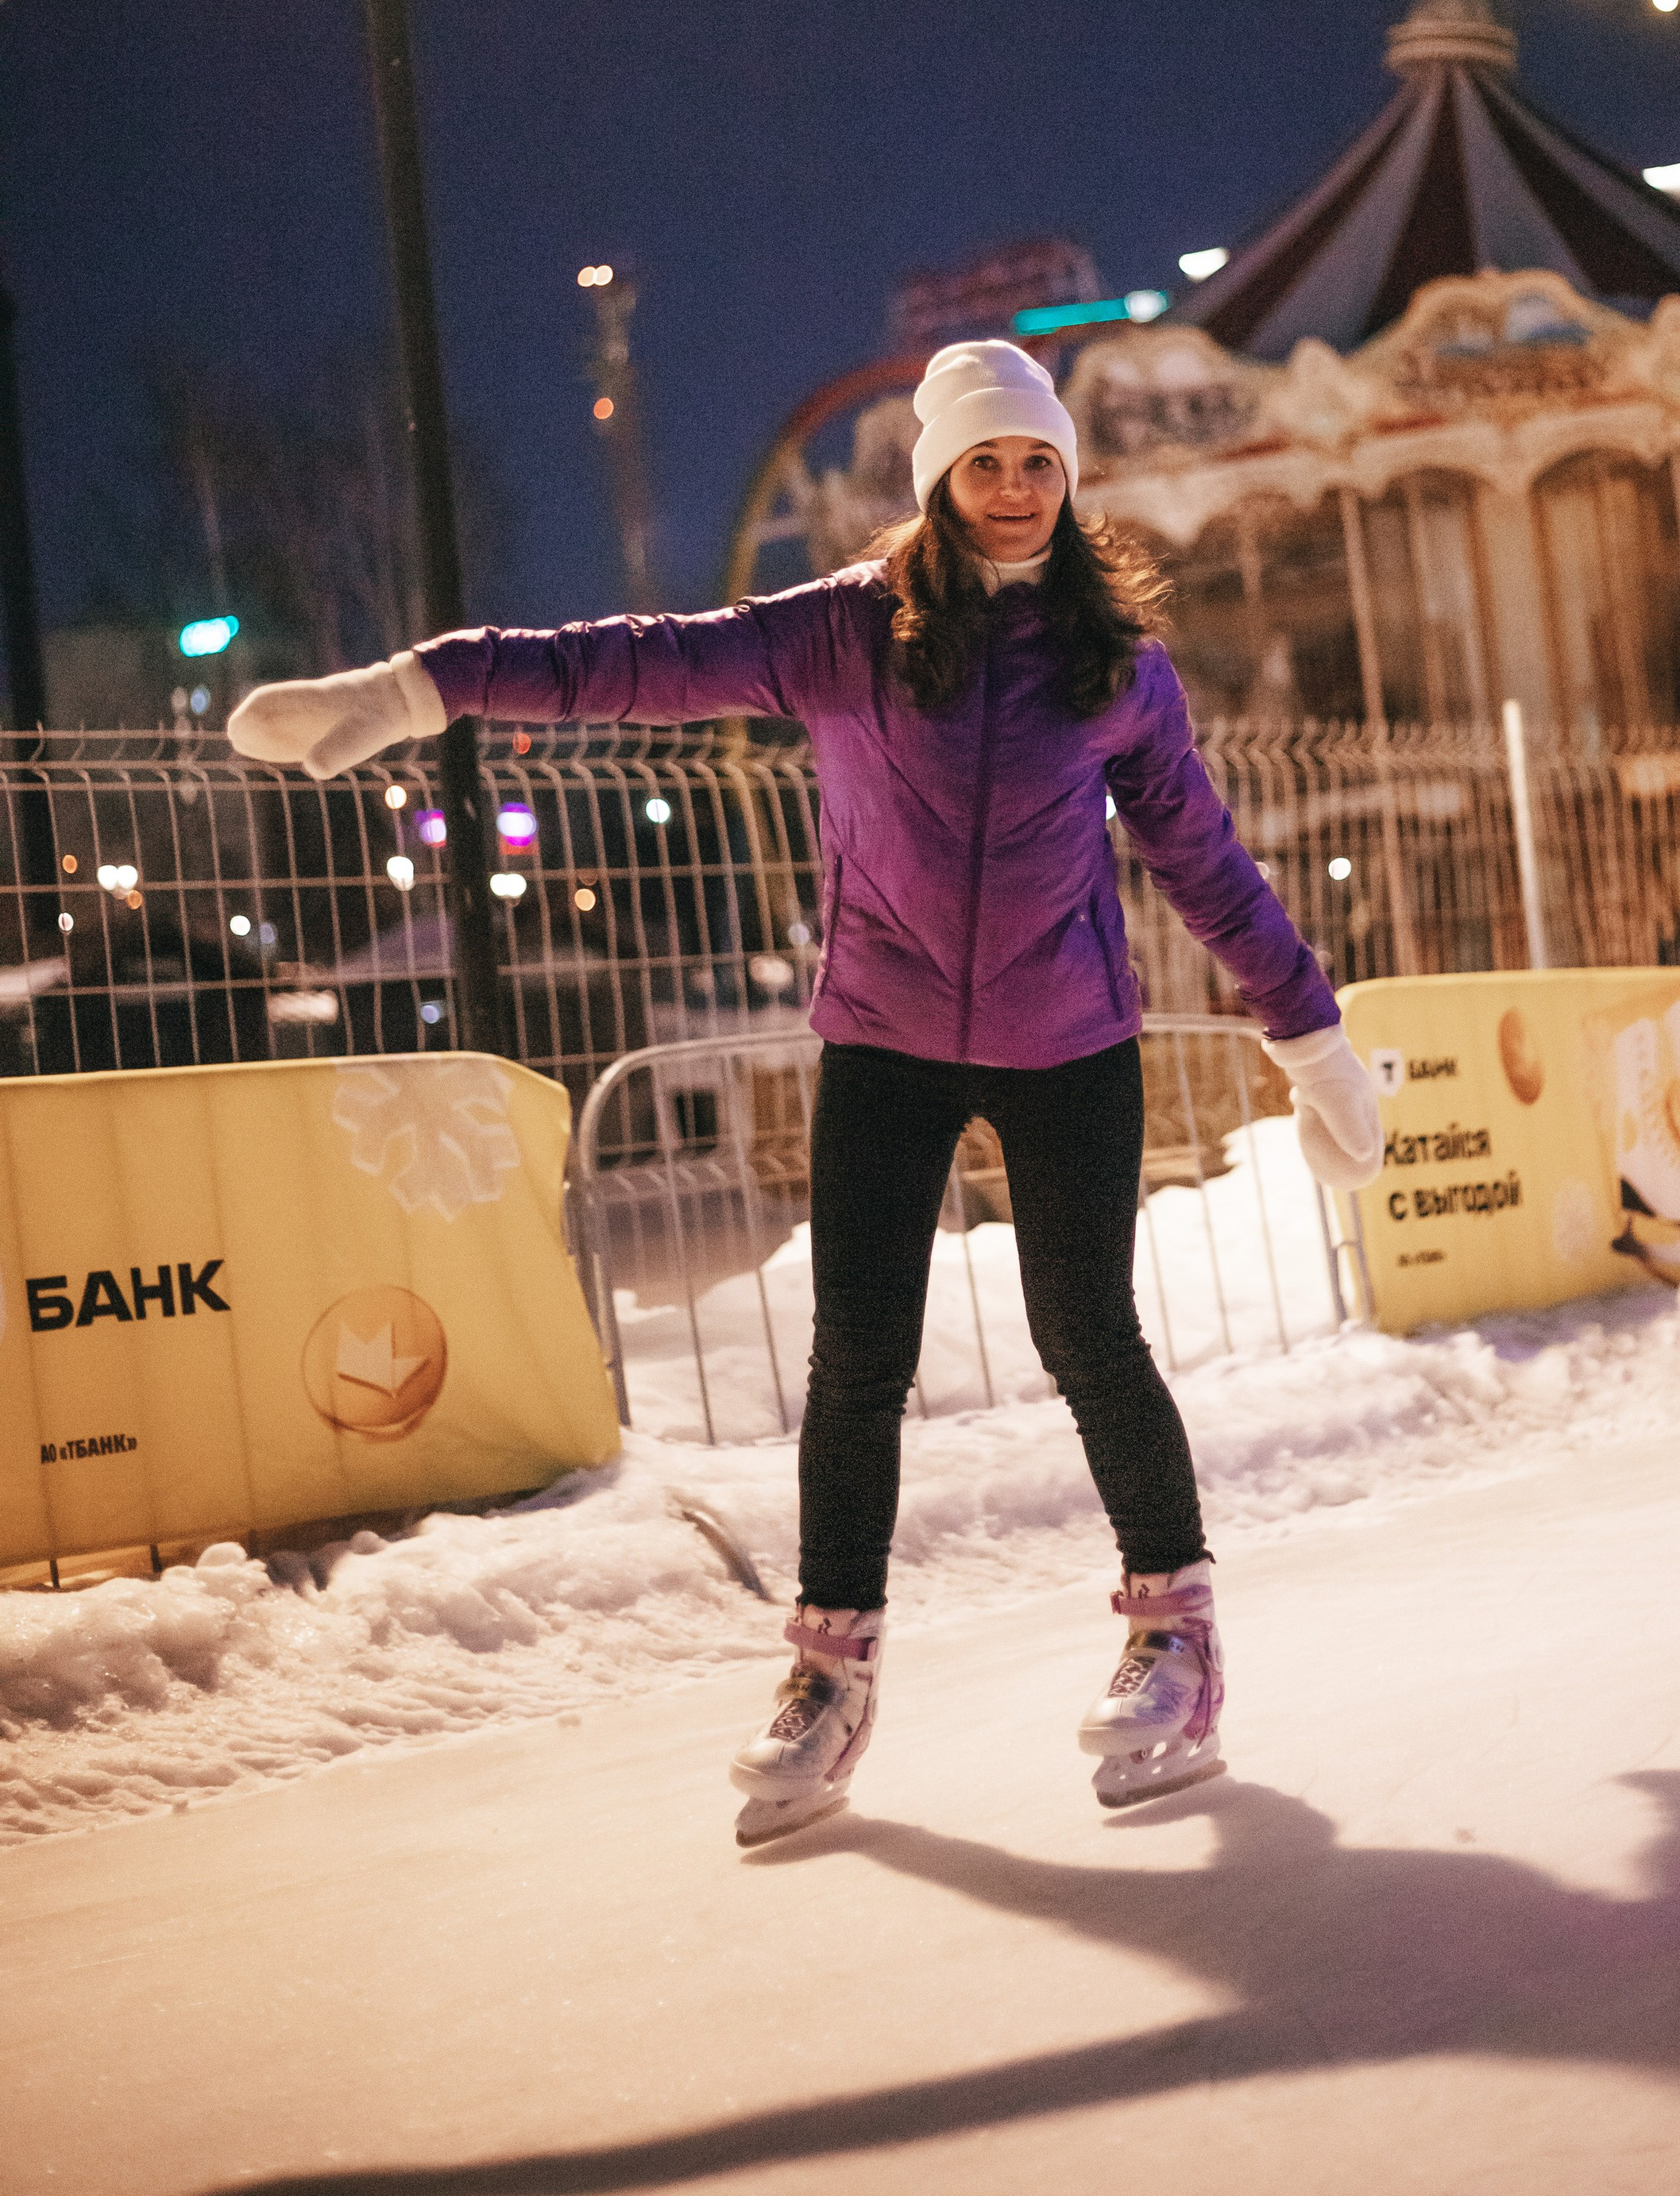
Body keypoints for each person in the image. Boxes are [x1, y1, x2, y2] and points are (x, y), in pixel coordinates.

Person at [229, 339, 1381, 1842]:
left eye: (1039, 464)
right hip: (888, 1036)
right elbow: (631, 663)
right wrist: (421, 687)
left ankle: (1179, 1641)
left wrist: (1312, 1036)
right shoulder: (849, 633)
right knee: (855, 1358)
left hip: (1069, 1039)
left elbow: (1204, 864)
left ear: (1067, 477)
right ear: (940, 481)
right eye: (987, 464)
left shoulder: (1118, 665)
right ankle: (829, 1672)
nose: (1017, 489)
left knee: (1086, 1328)